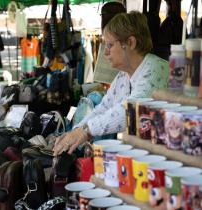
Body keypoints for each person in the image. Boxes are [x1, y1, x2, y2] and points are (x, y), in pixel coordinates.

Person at [53, 11, 169, 156]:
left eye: (110, 45)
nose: (106, 53)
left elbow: (130, 112)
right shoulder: (123, 76)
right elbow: (104, 106)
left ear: (130, 43)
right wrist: (77, 130)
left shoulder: (155, 69)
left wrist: (86, 130)